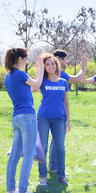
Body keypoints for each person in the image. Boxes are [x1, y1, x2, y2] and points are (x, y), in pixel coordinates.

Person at [4, 47, 44, 193]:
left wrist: (36, 73)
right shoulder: (20, 74)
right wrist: (40, 69)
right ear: (19, 59)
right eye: (26, 59)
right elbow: (38, 83)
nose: (27, 61)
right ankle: (22, 192)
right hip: (27, 117)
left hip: (17, 119)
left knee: (14, 157)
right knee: (28, 155)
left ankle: (11, 190)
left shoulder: (9, 76)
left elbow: (32, 86)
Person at [31, 53, 71, 185]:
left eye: (52, 64)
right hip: (44, 117)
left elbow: (66, 103)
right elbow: (32, 88)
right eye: (47, 65)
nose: (50, 67)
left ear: (56, 64)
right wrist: (39, 70)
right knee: (42, 147)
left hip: (59, 119)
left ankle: (61, 176)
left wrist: (68, 120)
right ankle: (43, 177)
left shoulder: (63, 82)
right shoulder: (42, 81)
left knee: (60, 148)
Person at [48, 49, 88, 173]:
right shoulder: (59, 73)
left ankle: (53, 165)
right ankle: (54, 166)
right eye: (65, 59)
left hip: (52, 111)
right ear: (60, 60)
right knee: (57, 140)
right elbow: (77, 79)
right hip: (58, 112)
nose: (67, 61)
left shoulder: (52, 72)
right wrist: (83, 67)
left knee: (55, 140)